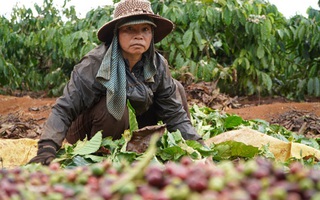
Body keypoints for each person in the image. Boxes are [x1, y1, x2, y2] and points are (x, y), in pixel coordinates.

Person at [28, 0, 203, 165]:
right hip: (89, 131)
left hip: (132, 127)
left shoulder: (157, 64)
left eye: (145, 29)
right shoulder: (95, 63)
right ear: (116, 33)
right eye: (129, 29)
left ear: (152, 34)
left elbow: (174, 114)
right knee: (114, 105)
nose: (139, 36)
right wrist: (47, 149)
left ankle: (138, 147)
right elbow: (65, 108)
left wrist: (197, 147)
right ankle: (105, 154)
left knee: (176, 89)